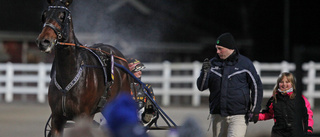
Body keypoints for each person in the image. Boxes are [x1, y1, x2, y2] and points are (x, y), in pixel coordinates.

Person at [196, 32, 263, 137]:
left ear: (230, 48)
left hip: (239, 115)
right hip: (217, 115)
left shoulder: (245, 64)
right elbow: (201, 87)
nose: (217, 51)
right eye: (216, 48)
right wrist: (204, 73)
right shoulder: (212, 64)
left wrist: (255, 110)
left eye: (220, 48)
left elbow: (256, 86)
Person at [258, 72, 314, 137]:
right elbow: (268, 114)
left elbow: (307, 115)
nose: (284, 84)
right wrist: (255, 116)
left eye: (287, 82)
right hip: (278, 133)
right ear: (278, 83)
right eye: (281, 82)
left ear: (292, 84)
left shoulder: (299, 98)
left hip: (295, 132)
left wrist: (308, 129)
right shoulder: (274, 99)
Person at [127, 58, 158, 127]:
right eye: (137, 70)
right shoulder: (119, 87)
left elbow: (155, 112)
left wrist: (148, 115)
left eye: (140, 70)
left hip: (140, 125)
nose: (140, 72)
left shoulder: (146, 88)